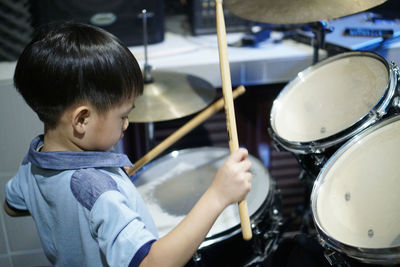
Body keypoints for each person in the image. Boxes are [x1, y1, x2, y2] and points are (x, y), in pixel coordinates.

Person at [3, 22, 252, 267]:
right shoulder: (97, 191)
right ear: (82, 119)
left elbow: (11, 206)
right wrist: (218, 196)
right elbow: (152, 263)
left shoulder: (35, 159)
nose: (126, 124)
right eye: (122, 116)